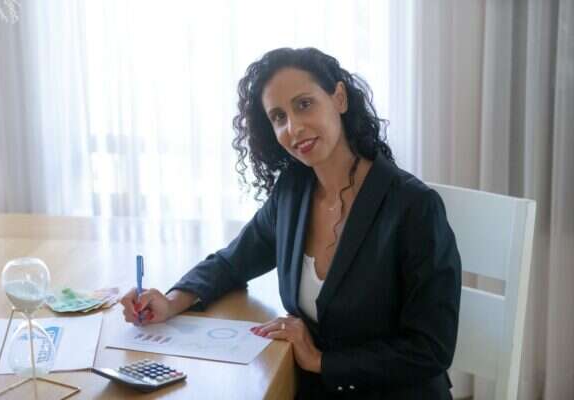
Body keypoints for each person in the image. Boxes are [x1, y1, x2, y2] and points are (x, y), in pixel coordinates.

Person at [120, 47, 461, 399]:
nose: (294, 127)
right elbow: (232, 262)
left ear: (339, 98)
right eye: (279, 117)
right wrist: (171, 301)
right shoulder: (293, 192)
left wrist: (321, 361)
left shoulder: (414, 207)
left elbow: (430, 348)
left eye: (304, 104)